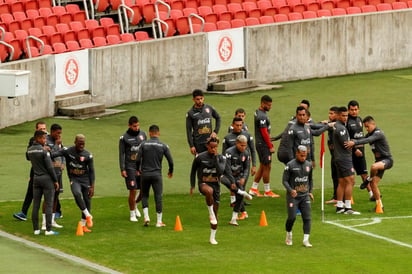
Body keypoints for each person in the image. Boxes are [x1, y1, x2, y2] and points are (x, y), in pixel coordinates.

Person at [190, 137, 251, 244]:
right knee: (209, 192)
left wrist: (216, 159)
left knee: (215, 217)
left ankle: (212, 237)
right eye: (211, 147)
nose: (213, 149)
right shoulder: (200, 157)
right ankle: (211, 213)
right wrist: (192, 185)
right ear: (207, 146)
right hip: (204, 183)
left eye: (215, 147)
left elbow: (223, 171)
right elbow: (193, 171)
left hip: (216, 186)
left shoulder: (221, 158)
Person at [345, 116, 393, 213]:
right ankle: (379, 206)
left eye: (368, 126)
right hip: (379, 161)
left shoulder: (378, 133)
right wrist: (354, 143)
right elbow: (363, 139)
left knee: (373, 167)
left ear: (373, 124)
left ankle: (368, 179)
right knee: (374, 184)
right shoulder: (369, 134)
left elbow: (366, 140)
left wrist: (355, 142)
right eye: (365, 127)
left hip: (387, 160)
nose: (367, 129)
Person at [53, 134, 94, 232]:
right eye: (79, 143)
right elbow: (54, 154)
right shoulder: (68, 151)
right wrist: (47, 150)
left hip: (85, 180)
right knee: (76, 193)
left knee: (87, 201)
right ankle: (88, 215)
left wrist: (92, 186)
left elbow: (92, 171)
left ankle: (83, 225)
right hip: (74, 179)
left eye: (83, 144)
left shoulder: (88, 155)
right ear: (75, 142)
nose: (81, 146)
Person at [137, 125, 174, 227]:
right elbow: (171, 161)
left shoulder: (143, 144)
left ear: (149, 133)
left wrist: (137, 170)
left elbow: (137, 159)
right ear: (158, 133)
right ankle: (159, 221)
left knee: (144, 195)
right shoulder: (163, 146)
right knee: (158, 196)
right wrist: (170, 171)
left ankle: (146, 217)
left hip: (145, 174)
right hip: (157, 175)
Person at [27, 130, 60, 236]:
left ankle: (36, 229)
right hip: (46, 179)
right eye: (43, 138)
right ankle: (48, 230)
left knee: (36, 204)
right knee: (49, 204)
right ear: (38, 138)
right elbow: (50, 167)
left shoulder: (30, 150)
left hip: (36, 179)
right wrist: (55, 180)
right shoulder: (44, 151)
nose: (45, 140)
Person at [13, 121, 47, 221]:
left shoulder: (51, 139)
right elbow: (28, 156)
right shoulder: (33, 140)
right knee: (30, 191)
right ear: (36, 130)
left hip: (49, 170)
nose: (43, 131)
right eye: (41, 129)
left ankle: (57, 212)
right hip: (36, 170)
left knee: (52, 192)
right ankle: (24, 212)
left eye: (44, 129)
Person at [248, 95, 280, 198]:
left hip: (261, 144)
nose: (270, 107)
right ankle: (267, 191)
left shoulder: (259, 112)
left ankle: (253, 189)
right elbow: (264, 132)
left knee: (263, 165)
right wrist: (270, 145)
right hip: (263, 145)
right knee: (267, 166)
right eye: (268, 105)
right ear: (262, 103)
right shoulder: (262, 116)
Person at [282, 145, 314, 247]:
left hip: (305, 196)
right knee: (292, 217)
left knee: (307, 218)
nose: (303, 158)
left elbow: (310, 180)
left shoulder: (309, 165)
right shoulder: (290, 165)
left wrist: (310, 191)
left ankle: (306, 240)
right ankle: (289, 234)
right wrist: (291, 190)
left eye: (304, 156)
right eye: (301, 156)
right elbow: (284, 181)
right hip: (293, 197)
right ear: (297, 154)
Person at [222, 117, 256, 208]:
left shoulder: (248, 135)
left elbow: (252, 150)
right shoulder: (227, 138)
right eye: (237, 125)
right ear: (232, 125)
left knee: (242, 185)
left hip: (244, 165)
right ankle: (237, 204)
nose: (239, 127)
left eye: (241, 125)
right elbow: (223, 154)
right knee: (235, 186)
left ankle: (240, 205)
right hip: (232, 167)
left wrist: (254, 165)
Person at [332, 107, 360, 215]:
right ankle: (348, 207)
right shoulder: (341, 128)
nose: (345, 118)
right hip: (344, 158)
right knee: (350, 181)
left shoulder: (336, 126)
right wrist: (354, 143)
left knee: (342, 182)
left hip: (338, 158)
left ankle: (339, 206)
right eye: (343, 115)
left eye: (346, 115)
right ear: (338, 116)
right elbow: (346, 144)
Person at [119, 116, 147, 222]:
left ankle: (135, 205)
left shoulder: (143, 135)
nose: (137, 128)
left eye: (138, 125)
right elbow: (121, 154)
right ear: (129, 126)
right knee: (133, 189)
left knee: (144, 189)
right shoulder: (124, 138)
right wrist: (122, 168)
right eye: (134, 126)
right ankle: (132, 213)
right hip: (130, 166)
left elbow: (145, 150)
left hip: (141, 166)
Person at [41, 123, 65, 230]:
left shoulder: (59, 142)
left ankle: (52, 220)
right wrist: (56, 144)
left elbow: (63, 152)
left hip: (58, 172)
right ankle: (44, 222)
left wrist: (63, 163)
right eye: (57, 133)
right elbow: (49, 155)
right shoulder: (47, 142)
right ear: (52, 131)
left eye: (60, 133)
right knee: (48, 198)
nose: (59, 135)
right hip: (50, 174)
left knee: (56, 197)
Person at [346, 100, 371, 200]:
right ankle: (348, 197)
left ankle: (371, 194)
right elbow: (346, 138)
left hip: (361, 151)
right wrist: (354, 149)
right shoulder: (347, 121)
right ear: (348, 110)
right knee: (350, 175)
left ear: (359, 109)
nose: (354, 112)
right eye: (352, 110)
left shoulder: (360, 120)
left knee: (364, 173)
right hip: (352, 152)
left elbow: (360, 135)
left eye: (356, 109)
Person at [186, 89, 221, 155]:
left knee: (213, 161)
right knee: (200, 163)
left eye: (201, 98)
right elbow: (188, 131)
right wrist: (191, 146)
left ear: (203, 98)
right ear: (193, 100)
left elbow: (218, 118)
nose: (200, 101)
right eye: (197, 99)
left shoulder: (209, 108)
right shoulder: (190, 113)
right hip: (198, 144)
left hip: (210, 142)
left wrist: (215, 132)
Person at [225, 135, 251, 225]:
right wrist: (232, 181)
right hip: (226, 176)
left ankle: (233, 219)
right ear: (237, 143)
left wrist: (243, 177)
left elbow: (247, 168)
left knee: (239, 197)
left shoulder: (246, 153)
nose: (243, 147)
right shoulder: (229, 152)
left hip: (237, 177)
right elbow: (227, 168)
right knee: (233, 188)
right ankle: (241, 192)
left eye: (245, 145)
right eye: (241, 145)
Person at [325, 106, 339, 204]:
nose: (329, 115)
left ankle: (340, 198)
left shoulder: (337, 125)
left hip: (338, 156)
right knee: (334, 176)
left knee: (339, 177)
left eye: (331, 113)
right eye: (329, 113)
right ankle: (336, 196)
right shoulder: (330, 124)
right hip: (333, 155)